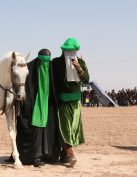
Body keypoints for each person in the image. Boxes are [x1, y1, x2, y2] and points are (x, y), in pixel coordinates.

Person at [15, 49, 62, 167]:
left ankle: (47, 155)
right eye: (43, 62)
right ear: (38, 60)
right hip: (33, 106)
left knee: (49, 129)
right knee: (34, 129)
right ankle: (35, 157)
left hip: (48, 105)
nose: (45, 64)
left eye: (48, 61)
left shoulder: (52, 69)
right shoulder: (29, 69)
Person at [52, 37, 90, 165]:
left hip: (76, 102)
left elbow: (86, 79)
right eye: (66, 50)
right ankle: (70, 152)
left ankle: (65, 154)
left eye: (71, 50)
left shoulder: (82, 63)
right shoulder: (56, 63)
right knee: (65, 126)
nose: (69, 53)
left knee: (74, 128)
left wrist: (79, 68)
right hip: (62, 101)